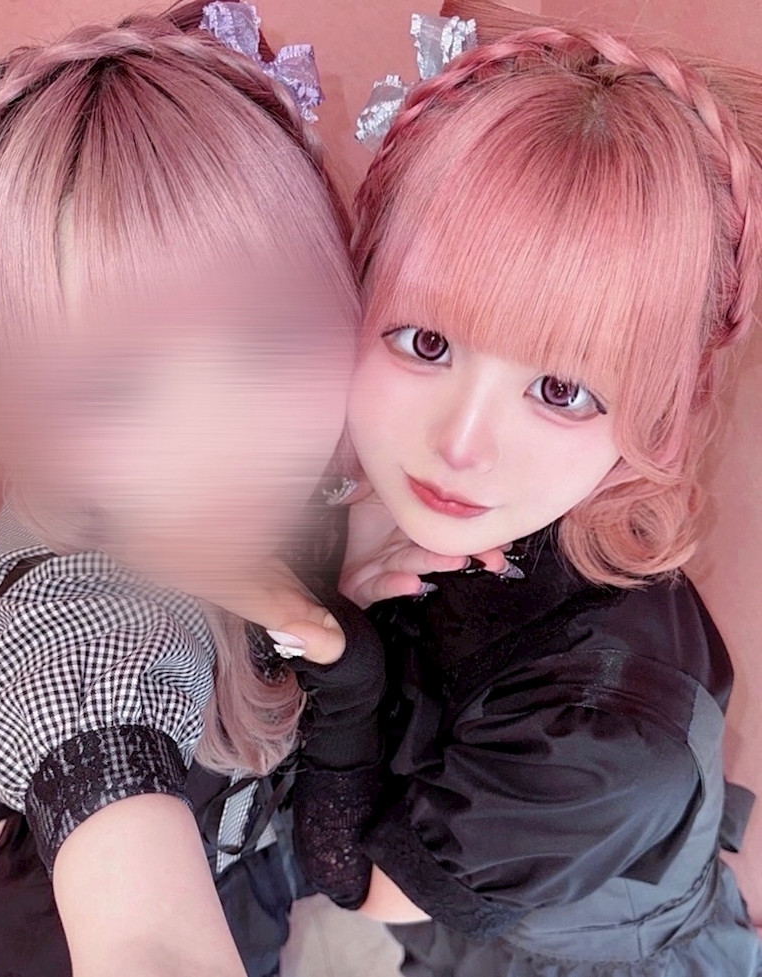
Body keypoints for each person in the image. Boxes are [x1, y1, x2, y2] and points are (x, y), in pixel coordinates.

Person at [0, 3, 395, 975]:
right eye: (113, 384)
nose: (217, 440)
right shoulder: (81, 603)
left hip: (253, 866)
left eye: (270, 337)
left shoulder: (320, 477)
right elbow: (149, 937)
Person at [335, 2, 762, 973]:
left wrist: (340, 656)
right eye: (427, 341)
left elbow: (363, 885)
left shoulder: (604, 736)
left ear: (654, 417)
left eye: (561, 390)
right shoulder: (470, 515)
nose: (461, 445)